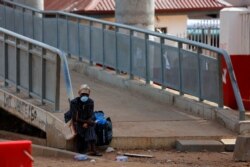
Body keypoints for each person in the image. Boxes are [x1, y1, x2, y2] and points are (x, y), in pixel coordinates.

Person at [70, 84, 102, 156]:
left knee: (91, 125)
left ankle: (93, 149)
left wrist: (87, 122)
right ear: (79, 94)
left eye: (86, 94)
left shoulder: (90, 102)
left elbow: (91, 114)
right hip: (77, 122)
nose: (84, 96)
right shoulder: (74, 102)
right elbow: (75, 118)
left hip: (86, 122)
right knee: (86, 125)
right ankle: (79, 150)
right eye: (83, 94)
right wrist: (87, 122)